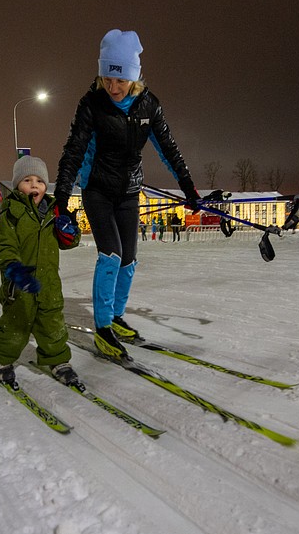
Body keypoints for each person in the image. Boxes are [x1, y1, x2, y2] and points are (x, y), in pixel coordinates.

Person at [54, 28, 200, 359]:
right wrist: (61, 199)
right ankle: (103, 328)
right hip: (97, 189)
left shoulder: (149, 105)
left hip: (130, 191)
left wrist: (188, 187)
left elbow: (169, 149)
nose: (113, 87)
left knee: (130, 260)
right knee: (111, 255)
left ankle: (117, 317)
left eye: (120, 81)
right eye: (107, 78)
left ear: (133, 79)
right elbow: (74, 150)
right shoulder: (91, 104)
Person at [0, 156, 83, 391]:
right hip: (19, 285)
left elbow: (68, 243)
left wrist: (69, 229)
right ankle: (2, 360)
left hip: (48, 286)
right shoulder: (10, 216)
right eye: (27, 180)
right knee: (15, 327)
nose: (34, 185)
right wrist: (14, 268)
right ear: (17, 185)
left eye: (40, 181)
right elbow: (2, 246)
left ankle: (58, 361)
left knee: (53, 327)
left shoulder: (52, 213)